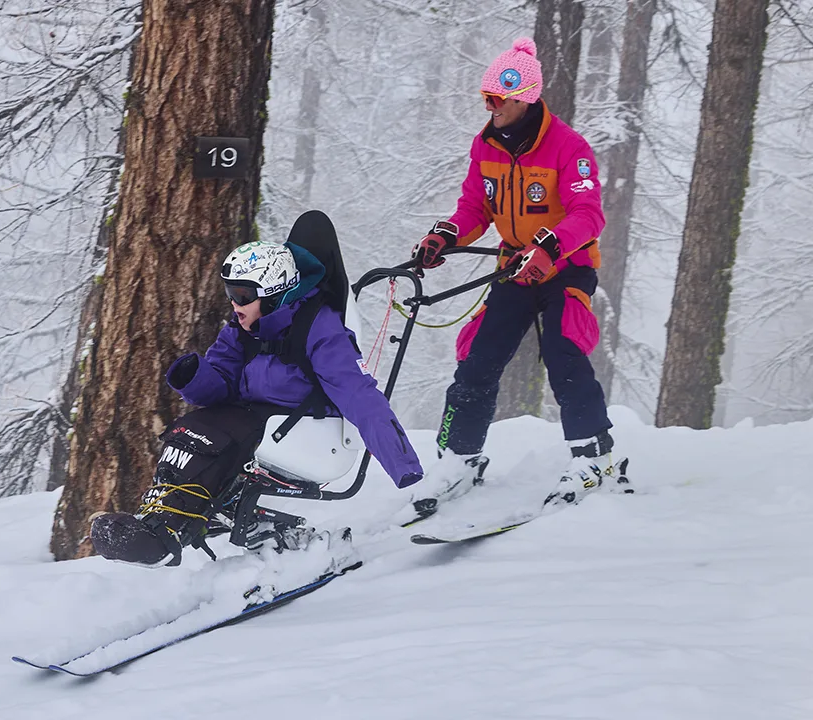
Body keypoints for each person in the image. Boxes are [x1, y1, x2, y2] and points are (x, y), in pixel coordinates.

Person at [92, 211, 423, 567]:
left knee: (217, 438)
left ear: (274, 294)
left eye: (242, 294)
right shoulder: (241, 328)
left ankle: (165, 532)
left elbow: (359, 394)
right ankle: (158, 516)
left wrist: (402, 463)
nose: (234, 304)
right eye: (230, 292)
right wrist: (195, 378)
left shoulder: (320, 328)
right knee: (189, 430)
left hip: (308, 425)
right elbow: (220, 379)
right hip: (257, 416)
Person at [412, 36, 631, 508]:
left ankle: (594, 457)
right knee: (478, 360)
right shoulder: (485, 144)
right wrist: (446, 235)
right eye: (486, 98)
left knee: (563, 352)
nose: (489, 106)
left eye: (497, 98)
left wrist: (548, 245)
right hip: (515, 267)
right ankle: (458, 461)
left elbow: (589, 213)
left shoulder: (568, 148)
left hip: (566, 267)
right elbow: (474, 205)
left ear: (524, 98)